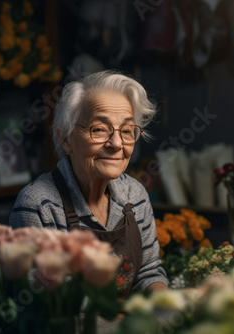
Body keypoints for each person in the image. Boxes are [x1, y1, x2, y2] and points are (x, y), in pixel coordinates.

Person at [9, 70, 168, 298]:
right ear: (65, 139)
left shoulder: (135, 193)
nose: (116, 143)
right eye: (100, 129)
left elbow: (149, 272)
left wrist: (165, 305)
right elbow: (48, 303)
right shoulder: (38, 205)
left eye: (126, 131)